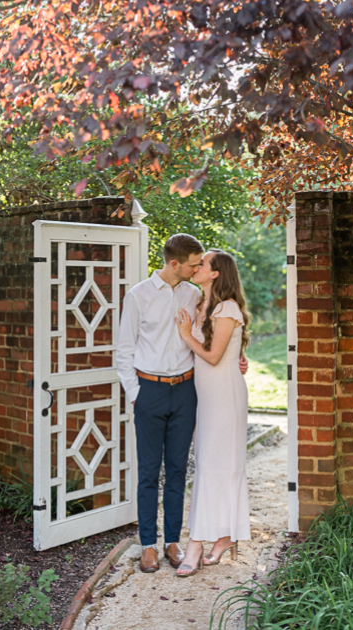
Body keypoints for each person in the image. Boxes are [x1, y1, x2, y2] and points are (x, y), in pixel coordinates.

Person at [115, 233, 247, 574]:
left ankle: (173, 541)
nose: (196, 269)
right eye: (192, 264)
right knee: (148, 471)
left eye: (200, 264)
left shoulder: (196, 296)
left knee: (177, 470)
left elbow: (221, 334)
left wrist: (238, 358)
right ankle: (148, 544)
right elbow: (124, 351)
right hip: (150, 390)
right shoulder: (138, 296)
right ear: (175, 264)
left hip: (187, 391)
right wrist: (136, 392)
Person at [173, 249, 252, 577]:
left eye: (202, 264)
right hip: (206, 396)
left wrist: (187, 335)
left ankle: (197, 543)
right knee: (210, 465)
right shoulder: (203, 304)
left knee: (215, 467)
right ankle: (223, 536)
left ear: (216, 273)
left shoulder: (228, 307)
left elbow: (215, 355)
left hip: (225, 398)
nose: (197, 267)